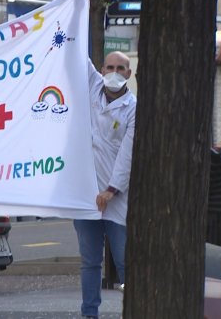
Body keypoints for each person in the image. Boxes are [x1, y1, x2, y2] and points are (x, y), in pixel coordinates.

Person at [74, 51, 136, 319]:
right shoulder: (92, 89)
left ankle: (134, 311)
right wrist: (74, 7)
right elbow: (79, 55)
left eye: (120, 68)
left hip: (117, 197)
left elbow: (127, 153)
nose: (114, 72)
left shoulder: (134, 108)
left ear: (128, 74)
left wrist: (111, 190)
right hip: (86, 195)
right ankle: (90, 314)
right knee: (90, 262)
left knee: (124, 262)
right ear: (101, 69)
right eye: (109, 66)